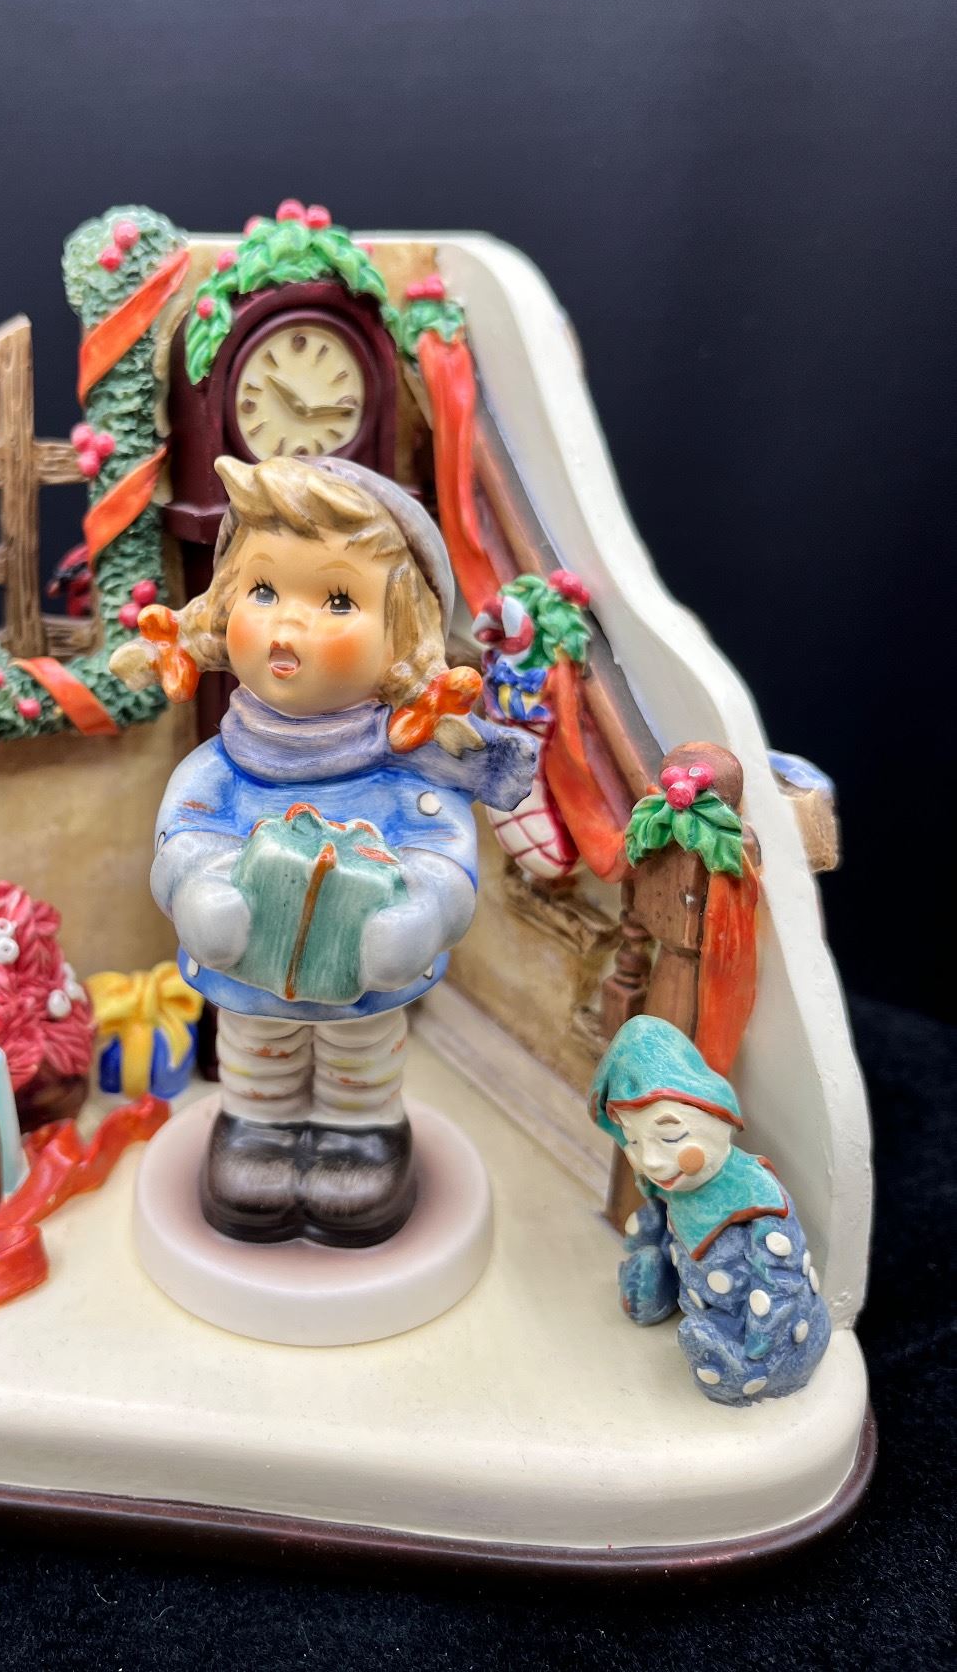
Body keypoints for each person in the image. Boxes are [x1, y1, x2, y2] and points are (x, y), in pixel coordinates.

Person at [113, 454, 536, 1246]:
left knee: (360, 1051)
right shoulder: (221, 769)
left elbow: (443, 856)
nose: (287, 626)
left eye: (337, 600)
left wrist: (420, 910)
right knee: (256, 1049)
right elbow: (185, 836)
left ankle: (358, 1132)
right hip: (255, 981)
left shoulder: (411, 775)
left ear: (402, 637)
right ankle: (258, 1128)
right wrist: (201, 887)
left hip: (360, 990)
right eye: (263, 591)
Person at [590, 1015, 831, 1405]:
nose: (650, 1160)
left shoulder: (756, 1196)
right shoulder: (671, 1186)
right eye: (633, 1141)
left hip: (763, 1338)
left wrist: (756, 1345)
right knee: (651, 1275)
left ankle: (741, 1374)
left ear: (719, 1123)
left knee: (704, 1349)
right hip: (702, 1304)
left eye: (670, 1136)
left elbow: (780, 1284)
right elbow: (662, 1231)